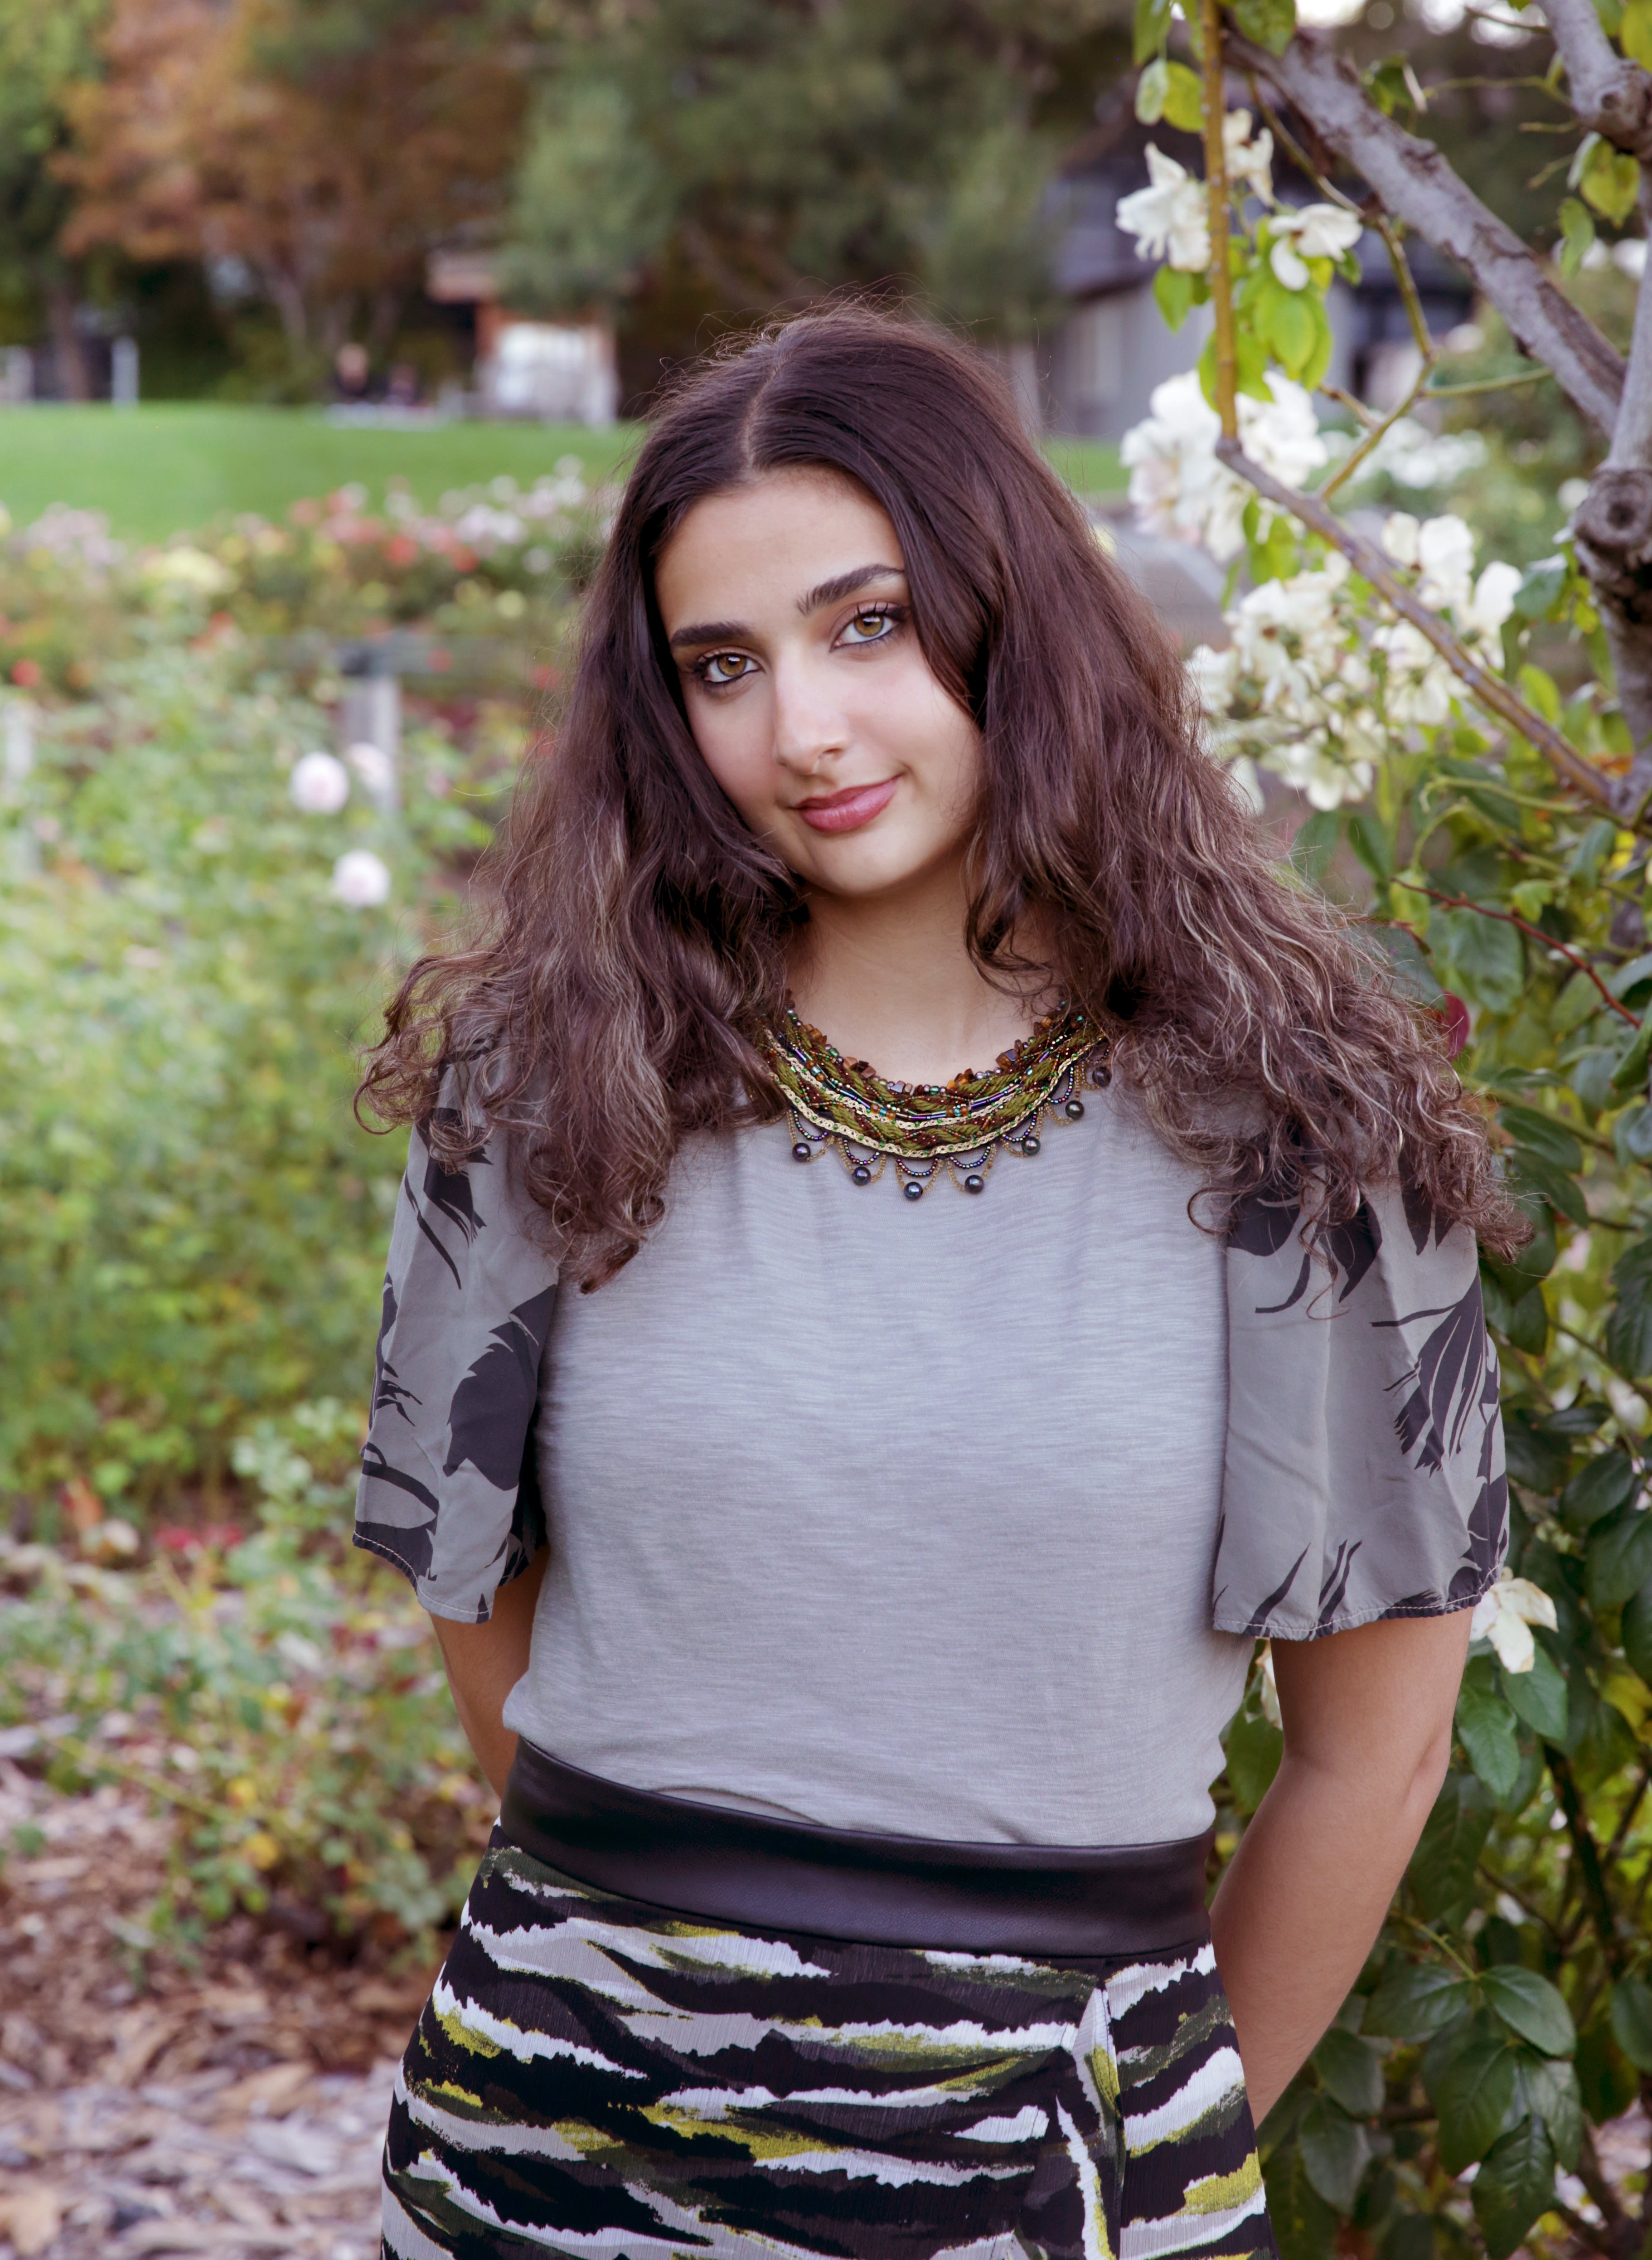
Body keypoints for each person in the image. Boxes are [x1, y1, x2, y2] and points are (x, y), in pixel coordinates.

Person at [353, 305, 1518, 2260]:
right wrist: (686, 1965)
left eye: (865, 624)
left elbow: (1372, 1744)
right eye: (721, 665)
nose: (797, 728)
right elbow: (487, 1605)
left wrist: (1131, 2113)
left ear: (1008, 611)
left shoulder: (1304, 1124)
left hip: (1065, 2159)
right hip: (551, 2150)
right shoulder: (545, 1080)